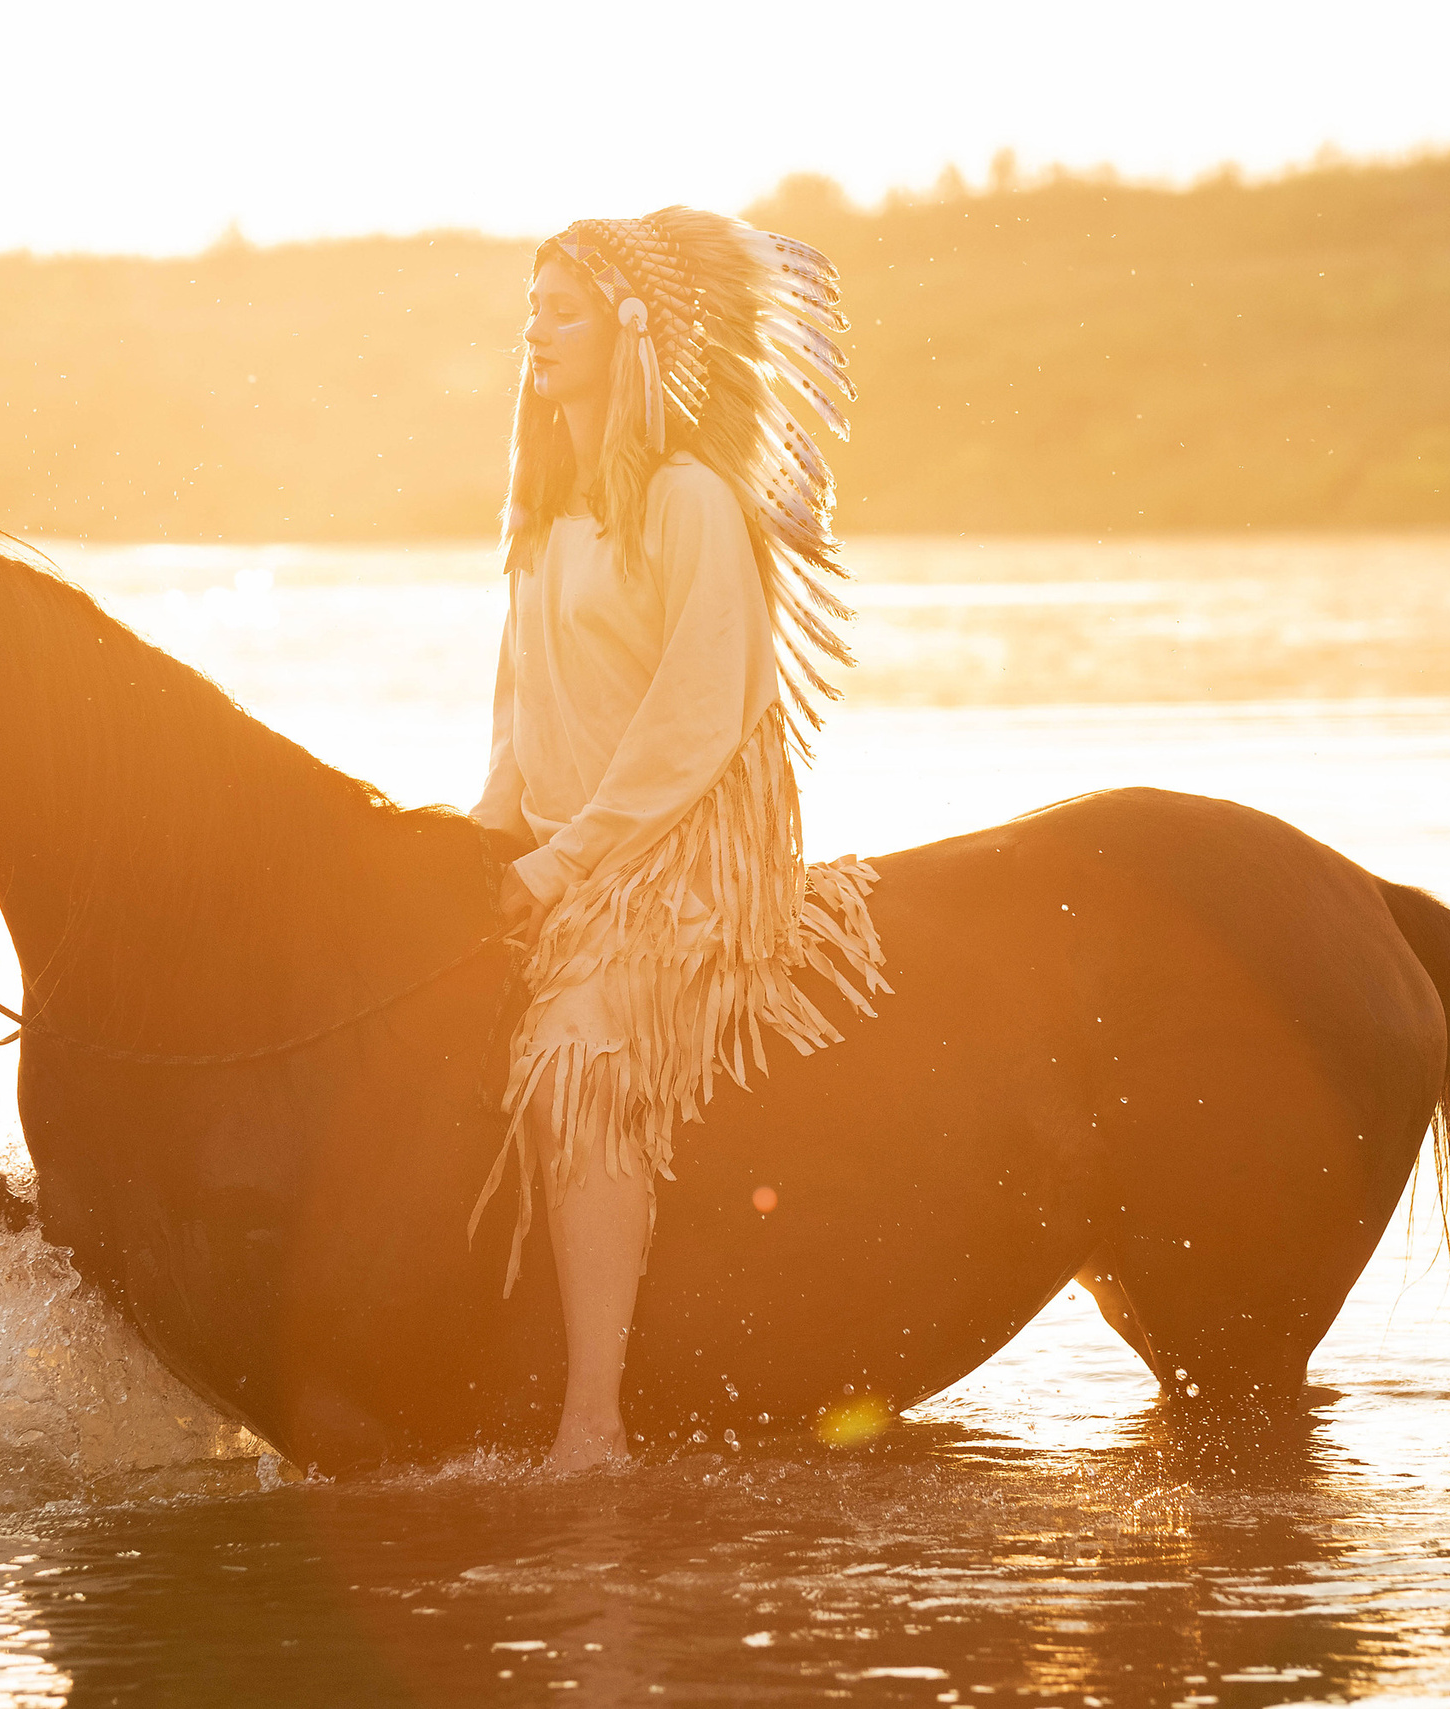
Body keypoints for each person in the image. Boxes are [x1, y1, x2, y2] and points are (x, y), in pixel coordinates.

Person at [467, 208, 892, 1471]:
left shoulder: (688, 498)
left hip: (689, 842)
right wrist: (478, 838)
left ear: (631, 328)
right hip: (565, 838)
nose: (537, 332)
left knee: (578, 1051)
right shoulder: (543, 516)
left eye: (566, 310)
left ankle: (593, 1419)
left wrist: (567, 858)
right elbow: (519, 711)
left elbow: (696, 717)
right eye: (532, 308)